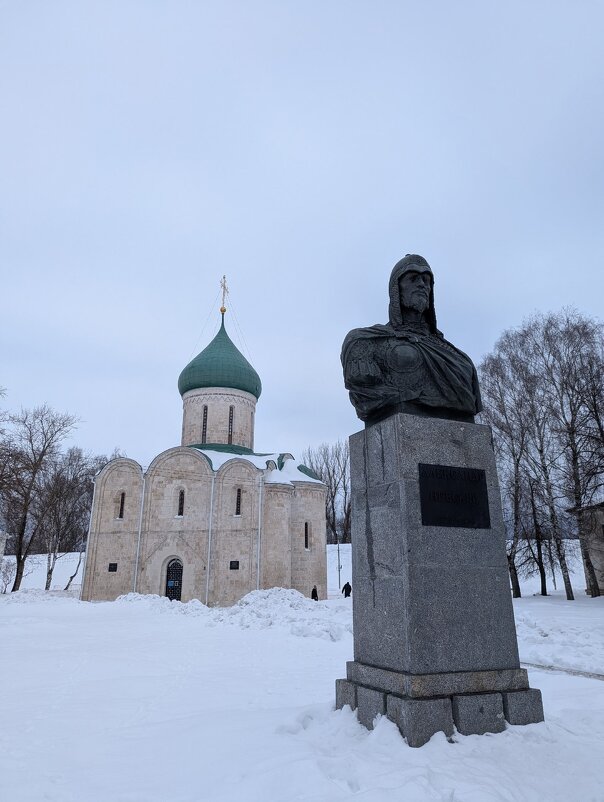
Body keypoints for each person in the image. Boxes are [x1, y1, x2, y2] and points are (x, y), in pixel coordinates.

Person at [341, 254, 482, 424]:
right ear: (396, 289)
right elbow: (365, 392)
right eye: (413, 278)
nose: (422, 285)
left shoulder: (458, 358)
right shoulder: (365, 342)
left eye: (426, 280)